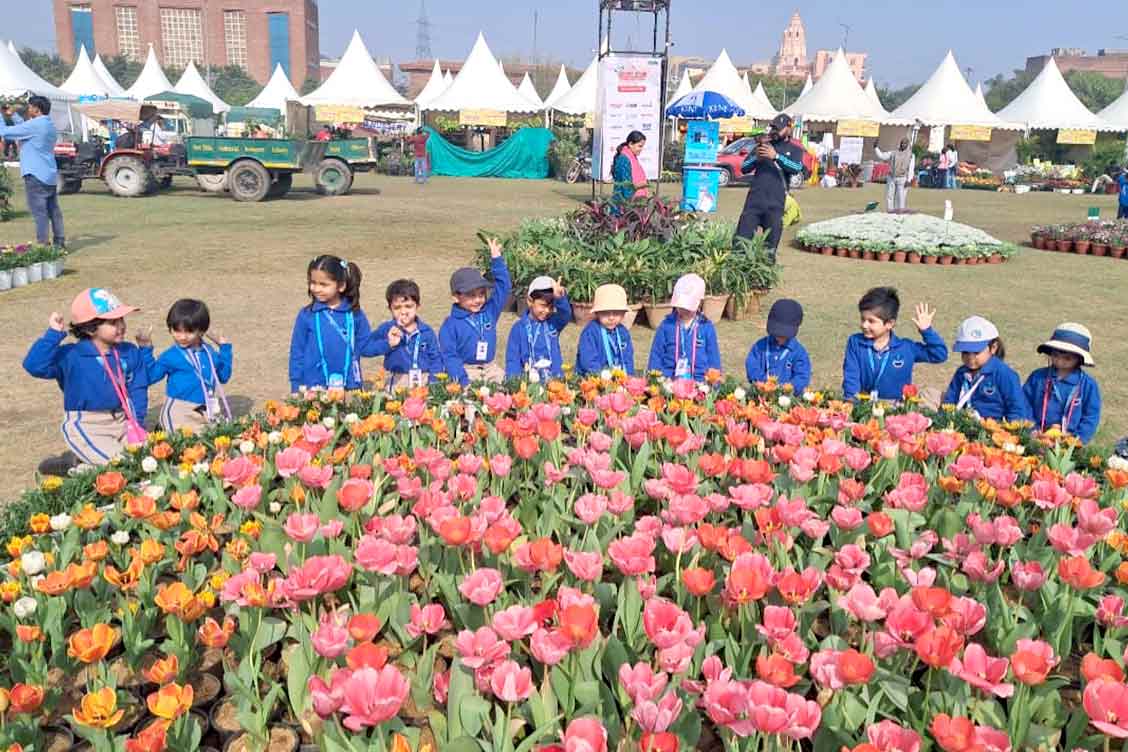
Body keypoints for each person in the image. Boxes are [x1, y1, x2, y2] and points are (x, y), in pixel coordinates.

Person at [23, 288, 154, 468]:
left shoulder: (129, 351)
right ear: (91, 328)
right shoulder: (71, 356)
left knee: (151, 462)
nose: (121, 326)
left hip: (123, 421)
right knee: (121, 466)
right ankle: (73, 467)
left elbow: (138, 388)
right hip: (87, 424)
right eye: (113, 322)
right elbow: (34, 365)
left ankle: (76, 463)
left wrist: (136, 423)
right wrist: (53, 334)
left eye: (121, 319)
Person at [842, 286, 947, 401]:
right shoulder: (856, 343)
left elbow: (939, 354)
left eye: (871, 321)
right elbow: (851, 376)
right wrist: (851, 401)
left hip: (896, 409)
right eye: (863, 319)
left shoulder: (906, 348)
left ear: (889, 324)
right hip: (864, 405)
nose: (864, 325)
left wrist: (927, 331)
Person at [288, 255, 376, 392]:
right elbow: (297, 352)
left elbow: (366, 346)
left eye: (323, 284)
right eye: (313, 282)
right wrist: (296, 385)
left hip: (349, 386)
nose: (316, 289)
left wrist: (388, 343)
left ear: (341, 286)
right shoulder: (306, 315)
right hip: (314, 389)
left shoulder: (355, 314)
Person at [149, 299, 233, 432]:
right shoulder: (171, 355)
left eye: (188, 332)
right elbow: (150, 376)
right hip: (179, 410)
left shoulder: (209, 352)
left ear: (201, 331)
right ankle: (163, 428)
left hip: (206, 410)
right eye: (176, 330)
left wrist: (224, 348)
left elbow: (224, 376)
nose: (182, 337)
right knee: (187, 446)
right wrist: (145, 350)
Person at [440, 237, 512, 385]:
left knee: (508, 396)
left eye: (481, 294)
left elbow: (503, 288)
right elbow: (450, 357)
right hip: (467, 371)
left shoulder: (489, 312)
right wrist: (462, 380)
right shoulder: (450, 325)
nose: (478, 300)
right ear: (456, 297)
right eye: (471, 295)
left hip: (491, 369)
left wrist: (497, 260)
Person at [734, 114, 806, 263]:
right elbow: (744, 168)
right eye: (772, 127)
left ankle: (763, 283)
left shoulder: (795, 149)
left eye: (778, 129)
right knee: (740, 242)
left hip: (775, 204)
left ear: (788, 129)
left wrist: (776, 157)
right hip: (754, 202)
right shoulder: (762, 146)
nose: (774, 131)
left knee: (769, 249)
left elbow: (797, 168)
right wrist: (757, 158)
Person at [0, 96, 65, 248]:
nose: (28, 109)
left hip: (35, 174)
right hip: (48, 173)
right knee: (53, 210)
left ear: (36, 108)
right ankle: (59, 242)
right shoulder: (48, 124)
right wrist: (13, 115)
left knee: (39, 212)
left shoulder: (35, 125)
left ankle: (44, 244)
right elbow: (25, 127)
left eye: (30, 107)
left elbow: (5, 132)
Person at [1023, 323, 1101, 443]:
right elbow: (1024, 403)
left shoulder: (1088, 385)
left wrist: (1077, 439)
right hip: (1038, 439)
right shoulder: (1038, 377)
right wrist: (1032, 428)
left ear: (1079, 359)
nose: (1059, 361)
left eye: (1067, 358)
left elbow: (1091, 417)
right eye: (1055, 355)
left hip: (1070, 443)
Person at [940, 316, 1029, 422]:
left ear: (993, 348)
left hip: (994, 431)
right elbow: (950, 400)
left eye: (976, 352)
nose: (970, 357)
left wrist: (1008, 433)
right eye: (965, 352)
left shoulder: (1004, 374)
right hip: (963, 426)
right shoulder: (961, 372)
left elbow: (1016, 410)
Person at [367, 279, 444, 392]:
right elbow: (366, 348)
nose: (403, 312)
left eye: (408, 306)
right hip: (396, 381)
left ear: (417, 306)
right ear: (390, 309)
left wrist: (433, 382)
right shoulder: (387, 329)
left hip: (423, 379)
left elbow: (435, 358)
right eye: (397, 307)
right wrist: (387, 344)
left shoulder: (426, 331)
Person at [647, 273, 721, 382]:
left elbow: (713, 358)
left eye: (689, 306)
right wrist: (654, 381)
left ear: (700, 302)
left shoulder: (706, 327)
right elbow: (656, 355)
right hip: (669, 382)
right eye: (681, 305)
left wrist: (713, 383)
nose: (685, 309)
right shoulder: (666, 326)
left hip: (699, 383)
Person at [505, 277, 571, 383]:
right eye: (543, 306)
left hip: (555, 381)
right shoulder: (519, 328)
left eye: (551, 306)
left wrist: (560, 299)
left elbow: (566, 315)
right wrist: (515, 383)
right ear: (530, 301)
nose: (547, 310)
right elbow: (513, 360)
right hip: (529, 383)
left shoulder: (554, 323)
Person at [745, 298, 811, 392]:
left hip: (787, 400)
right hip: (761, 394)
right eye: (777, 334)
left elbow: (802, 377)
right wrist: (763, 382)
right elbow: (752, 366)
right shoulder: (760, 346)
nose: (779, 338)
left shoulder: (799, 353)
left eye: (784, 335)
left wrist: (785, 389)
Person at [575, 284, 636, 376]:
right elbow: (587, 361)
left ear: (623, 314)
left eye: (616, 313)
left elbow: (628, 358)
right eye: (605, 313)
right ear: (597, 313)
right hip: (592, 378)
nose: (611, 318)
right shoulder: (590, 332)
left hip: (617, 377)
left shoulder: (623, 332)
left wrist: (629, 376)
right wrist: (603, 377)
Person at [874, 138, 915, 212]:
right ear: (900, 143)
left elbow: (911, 168)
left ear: (908, 145)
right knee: (890, 194)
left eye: (905, 143)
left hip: (902, 178)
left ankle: (900, 210)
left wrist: (909, 180)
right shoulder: (893, 152)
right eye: (902, 143)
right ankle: (890, 210)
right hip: (891, 177)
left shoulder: (911, 155)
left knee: (901, 196)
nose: (903, 145)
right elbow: (882, 156)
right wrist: (876, 147)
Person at [611, 130, 650, 204]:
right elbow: (626, 185)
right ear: (631, 144)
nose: (641, 149)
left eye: (642, 147)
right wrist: (640, 185)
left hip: (635, 202)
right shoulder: (623, 159)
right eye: (640, 146)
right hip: (624, 204)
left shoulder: (632, 157)